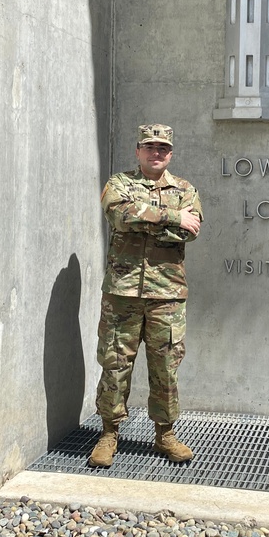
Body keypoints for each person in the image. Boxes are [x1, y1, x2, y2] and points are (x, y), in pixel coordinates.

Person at [88, 123, 203, 468]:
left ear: (171, 154)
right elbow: (121, 216)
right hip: (122, 294)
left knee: (165, 367)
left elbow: (191, 230)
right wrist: (171, 217)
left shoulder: (186, 190)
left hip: (167, 295)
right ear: (138, 150)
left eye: (163, 149)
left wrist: (149, 217)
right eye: (150, 147)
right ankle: (108, 433)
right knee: (114, 363)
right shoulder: (119, 183)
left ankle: (165, 434)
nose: (157, 153)